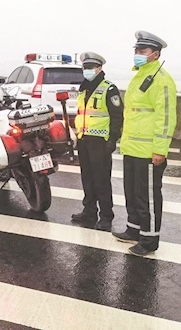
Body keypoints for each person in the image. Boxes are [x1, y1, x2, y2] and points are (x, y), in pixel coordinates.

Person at [113, 31, 177, 256]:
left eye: (143, 51)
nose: (138, 54)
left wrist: (160, 149)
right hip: (132, 148)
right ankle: (134, 229)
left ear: (155, 54)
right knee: (132, 192)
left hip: (149, 151)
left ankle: (149, 240)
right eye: (136, 51)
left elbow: (166, 116)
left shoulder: (161, 80)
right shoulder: (139, 76)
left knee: (147, 196)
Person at [71, 52, 124, 231]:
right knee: (87, 178)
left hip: (100, 141)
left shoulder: (109, 89)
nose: (87, 71)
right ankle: (89, 211)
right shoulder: (83, 88)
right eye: (85, 68)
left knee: (101, 180)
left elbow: (117, 116)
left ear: (99, 68)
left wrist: (113, 139)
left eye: (90, 67)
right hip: (84, 139)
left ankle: (106, 216)